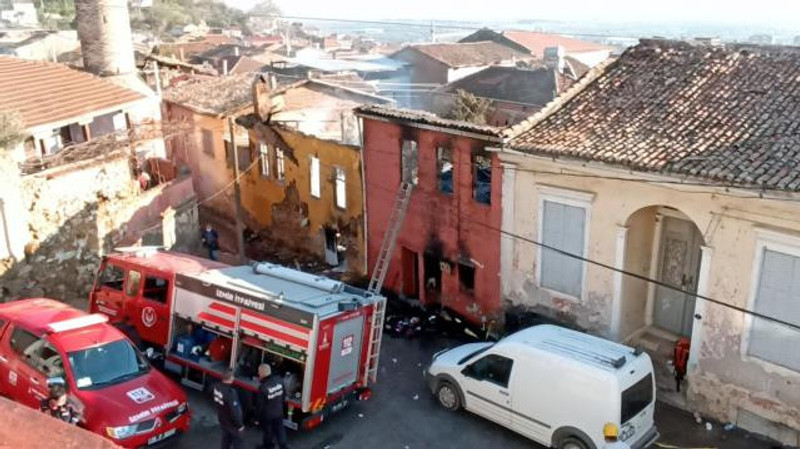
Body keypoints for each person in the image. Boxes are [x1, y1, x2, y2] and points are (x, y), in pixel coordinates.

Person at [255, 364, 289, 449]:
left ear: (261, 373)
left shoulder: (262, 388)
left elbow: (260, 406)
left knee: (268, 432)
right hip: (279, 411)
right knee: (280, 430)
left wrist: (257, 419)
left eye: (259, 372)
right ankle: (283, 446)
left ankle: (268, 446)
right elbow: (284, 395)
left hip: (268, 415)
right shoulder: (280, 381)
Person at [214, 369, 245, 449]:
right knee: (238, 443)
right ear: (230, 378)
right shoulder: (231, 393)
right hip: (232, 424)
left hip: (223, 419)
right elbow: (234, 412)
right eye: (233, 376)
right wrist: (240, 425)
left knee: (225, 440)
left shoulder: (217, 387)